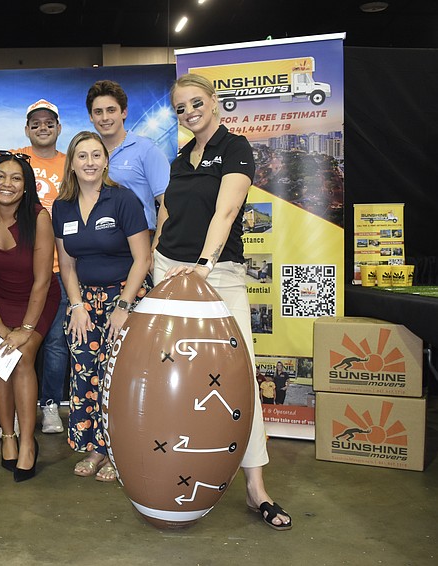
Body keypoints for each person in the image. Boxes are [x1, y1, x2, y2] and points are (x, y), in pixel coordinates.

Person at [153, 73, 292, 531]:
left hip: (218, 272)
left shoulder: (236, 148)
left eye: (196, 103)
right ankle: (166, 470)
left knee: (239, 376)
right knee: (168, 375)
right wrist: (159, 264)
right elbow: (168, 214)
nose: (189, 111)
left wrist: (205, 263)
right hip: (167, 267)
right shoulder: (179, 157)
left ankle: (257, 489)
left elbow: (227, 210)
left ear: (213, 102)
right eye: (181, 108)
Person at [52, 131, 152, 482]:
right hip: (83, 303)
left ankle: (120, 449)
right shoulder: (61, 206)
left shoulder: (122, 200)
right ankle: (96, 448)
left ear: (106, 161)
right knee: (85, 375)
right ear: (72, 163)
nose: (90, 162)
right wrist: (76, 304)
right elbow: (66, 264)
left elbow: (143, 258)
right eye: (83, 156)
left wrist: (124, 306)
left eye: (96, 155)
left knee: (121, 377)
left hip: (126, 298)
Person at [0, 151, 61, 482]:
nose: (7, 183)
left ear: (26, 186)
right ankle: (7, 436)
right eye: (0, 176)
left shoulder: (39, 217)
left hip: (37, 301)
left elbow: (43, 280)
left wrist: (26, 328)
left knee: (20, 357)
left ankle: (27, 443)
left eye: (16, 178)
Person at [0, 99, 68, 435]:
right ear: (27, 128)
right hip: (11, 275)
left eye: (49, 122)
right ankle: (15, 416)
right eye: (36, 122)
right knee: (6, 352)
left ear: (59, 128)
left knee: (54, 345)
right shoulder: (14, 158)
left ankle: (48, 406)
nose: (43, 127)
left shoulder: (71, 163)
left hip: (58, 270)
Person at [86, 80, 170, 237]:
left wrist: (157, 245)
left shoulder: (147, 150)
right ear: (91, 117)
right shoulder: (88, 156)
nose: (105, 118)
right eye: (98, 112)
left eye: (111, 110)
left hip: (140, 242)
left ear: (124, 112)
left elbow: (168, 203)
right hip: (97, 244)